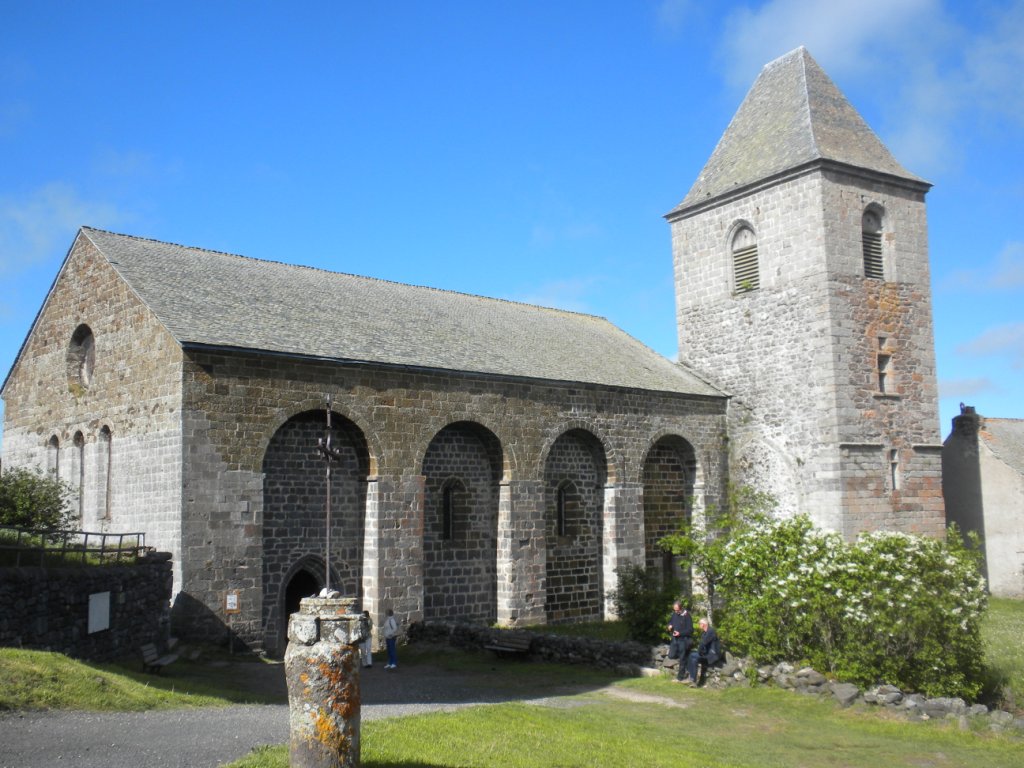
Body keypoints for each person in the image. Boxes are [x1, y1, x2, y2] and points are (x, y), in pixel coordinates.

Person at [680, 617, 722, 686]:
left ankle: (692, 679)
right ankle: (692, 680)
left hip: (712, 655)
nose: (699, 625)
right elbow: (702, 645)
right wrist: (700, 652)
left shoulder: (711, 631)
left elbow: (703, 643)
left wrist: (699, 652)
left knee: (692, 656)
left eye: (699, 624)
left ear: (703, 624)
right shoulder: (705, 633)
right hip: (706, 653)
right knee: (692, 657)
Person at [666, 601, 694, 681]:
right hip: (675, 639)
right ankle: (686, 658)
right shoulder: (674, 614)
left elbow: (690, 630)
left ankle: (680, 677)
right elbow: (670, 622)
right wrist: (669, 626)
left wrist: (680, 633)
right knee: (671, 655)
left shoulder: (687, 616)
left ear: (681, 608)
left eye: (677, 610)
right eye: (674, 610)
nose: (676, 612)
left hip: (683, 640)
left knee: (682, 658)